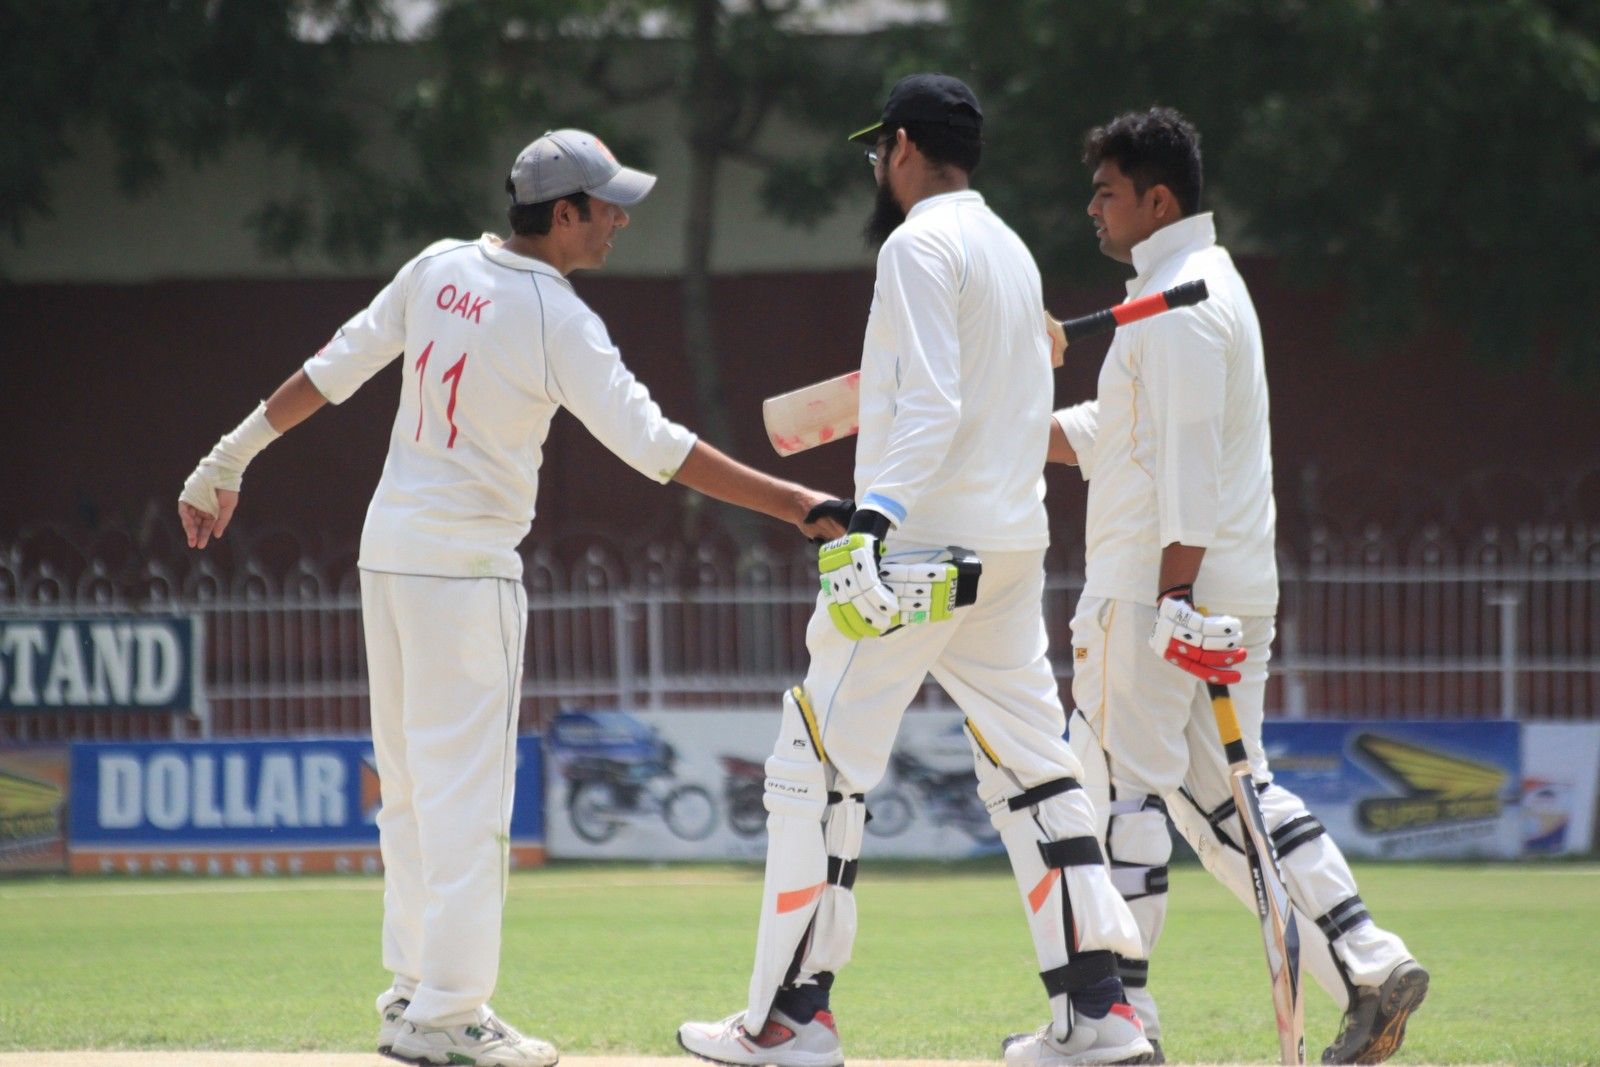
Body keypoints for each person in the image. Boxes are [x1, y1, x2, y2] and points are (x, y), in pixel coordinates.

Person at [178, 129, 848, 1067]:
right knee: (467, 800)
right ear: (562, 213)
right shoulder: (556, 316)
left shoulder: (437, 267)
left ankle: (415, 993)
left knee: (411, 793)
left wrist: (226, 458)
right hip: (464, 571)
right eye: (607, 207)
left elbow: (330, 372)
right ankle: (449, 1013)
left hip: (390, 556)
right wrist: (795, 503)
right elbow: (655, 445)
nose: (618, 221)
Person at [677, 74, 1152, 1067]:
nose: (876, 169)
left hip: (923, 548)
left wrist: (873, 521)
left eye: (877, 153)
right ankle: (1100, 1012)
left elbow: (931, 404)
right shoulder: (1009, 250)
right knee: (1036, 770)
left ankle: (790, 1018)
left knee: (815, 761)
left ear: (900, 147)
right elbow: (989, 400)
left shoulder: (915, 246)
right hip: (1011, 545)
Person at [1046, 107, 1428, 1065]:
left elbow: (1182, 464)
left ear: (1156, 200)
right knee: (1230, 800)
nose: (1093, 209)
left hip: (1158, 589)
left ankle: (1116, 1021)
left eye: (1106, 192)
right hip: (1227, 589)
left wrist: (1174, 594)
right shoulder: (1198, 284)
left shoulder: (1178, 301)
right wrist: (1001, 421)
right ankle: (1367, 959)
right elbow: (1119, 434)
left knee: (1113, 793)